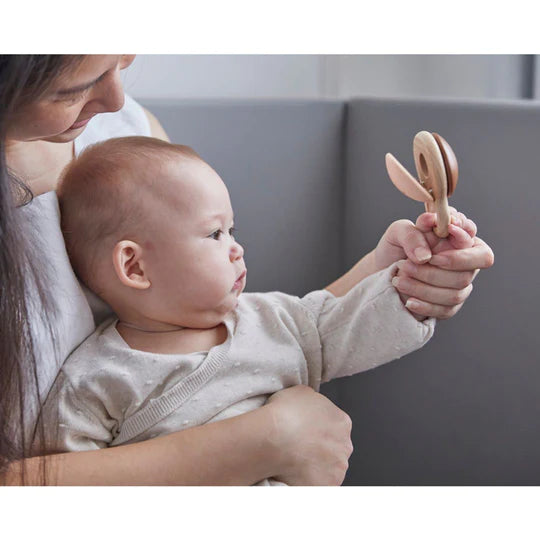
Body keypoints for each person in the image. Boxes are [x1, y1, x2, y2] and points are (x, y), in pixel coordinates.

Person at [0, 54, 493, 486]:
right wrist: (268, 441)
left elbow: (332, 328)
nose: (116, 98)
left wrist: (399, 277)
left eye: (124, 62)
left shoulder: (269, 320)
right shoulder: (95, 380)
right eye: (75, 88)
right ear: (133, 265)